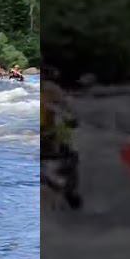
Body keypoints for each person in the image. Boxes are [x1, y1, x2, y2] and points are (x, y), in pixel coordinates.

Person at [41, 82, 82, 210]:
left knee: (70, 160)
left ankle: (68, 193)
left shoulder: (52, 94)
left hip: (53, 141)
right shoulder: (48, 95)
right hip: (45, 141)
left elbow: (71, 121)